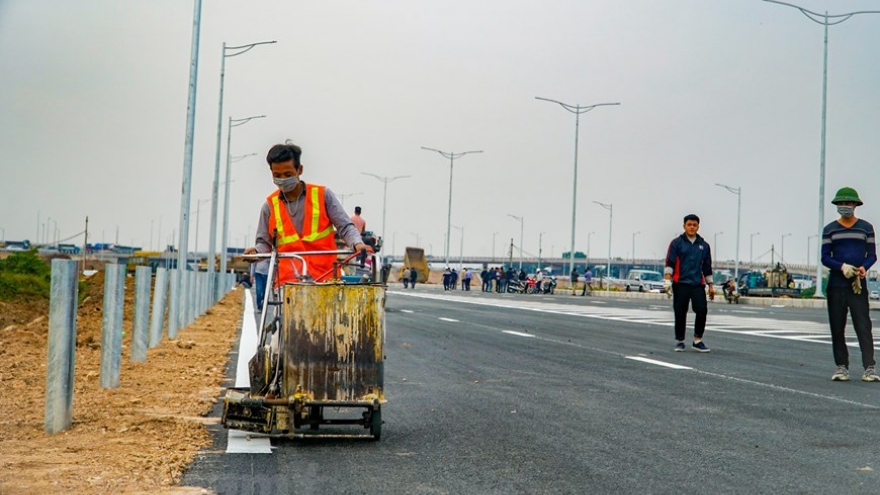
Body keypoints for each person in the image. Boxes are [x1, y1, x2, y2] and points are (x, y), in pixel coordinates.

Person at [244, 142, 372, 285]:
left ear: (299, 170)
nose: (283, 179)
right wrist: (256, 252)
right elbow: (264, 243)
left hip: (325, 279)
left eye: (288, 174)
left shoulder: (323, 196)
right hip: (288, 282)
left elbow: (345, 226)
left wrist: (357, 244)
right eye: (277, 175)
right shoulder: (269, 206)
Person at [821, 187, 878, 382]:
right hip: (836, 285)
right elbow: (825, 258)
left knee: (863, 326)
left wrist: (863, 267)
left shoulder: (866, 228)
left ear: (855, 205)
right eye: (841, 204)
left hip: (857, 286)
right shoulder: (830, 229)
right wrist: (842, 267)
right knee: (837, 327)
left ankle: (869, 368)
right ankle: (841, 367)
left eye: (848, 203)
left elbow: (872, 255)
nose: (844, 207)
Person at [664, 214, 715, 353]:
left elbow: (707, 266)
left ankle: (698, 340)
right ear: (684, 226)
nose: (692, 227)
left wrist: (710, 285)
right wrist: (667, 280)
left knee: (702, 310)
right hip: (680, 283)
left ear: (698, 226)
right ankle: (680, 341)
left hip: (697, 284)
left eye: (694, 225)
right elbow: (670, 262)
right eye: (689, 225)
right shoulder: (676, 244)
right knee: (680, 312)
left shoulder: (704, 246)